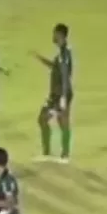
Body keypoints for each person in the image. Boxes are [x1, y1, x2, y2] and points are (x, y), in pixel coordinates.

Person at [32, 23, 74, 162]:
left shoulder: (64, 53)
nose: (53, 36)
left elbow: (65, 75)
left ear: (60, 35)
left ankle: (64, 155)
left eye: (55, 34)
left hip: (61, 94)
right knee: (43, 119)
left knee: (61, 122)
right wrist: (40, 58)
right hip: (55, 94)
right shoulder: (62, 52)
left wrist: (63, 97)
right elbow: (56, 67)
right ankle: (48, 153)